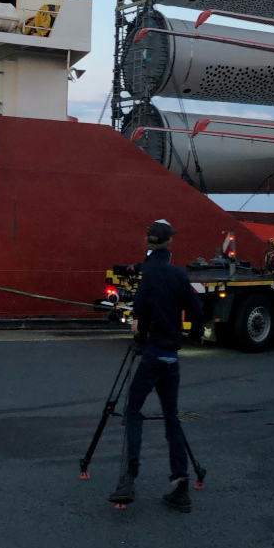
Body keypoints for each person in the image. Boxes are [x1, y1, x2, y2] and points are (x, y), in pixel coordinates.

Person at [111, 218, 204, 512]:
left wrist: (139, 325)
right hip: (171, 358)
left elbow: (140, 315)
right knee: (171, 418)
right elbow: (197, 312)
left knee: (133, 410)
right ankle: (180, 487)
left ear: (148, 242)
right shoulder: (178, 275)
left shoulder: (148, 273)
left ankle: (129, 478)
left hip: (151, 354)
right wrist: (196, 334)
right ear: (170, 242)